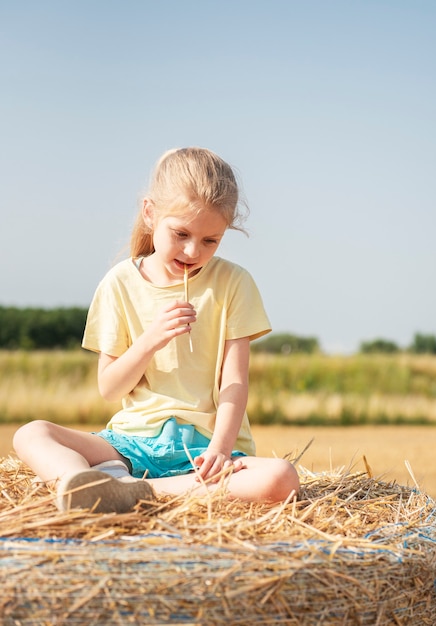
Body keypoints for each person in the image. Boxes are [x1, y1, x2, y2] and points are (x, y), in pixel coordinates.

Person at [13, 147, 300, 513]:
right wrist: (151, 338)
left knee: (281, 478)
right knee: (32, 433)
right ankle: (79, 483)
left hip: (206, 447)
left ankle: (138, 488)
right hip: (131, 443)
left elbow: (235, 382)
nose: (193, 250)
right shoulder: (119, 283)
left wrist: (221, 450)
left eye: (211, 240)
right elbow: (110, 387)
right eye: (181, 233)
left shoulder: (234, 283)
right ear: (150, 213)